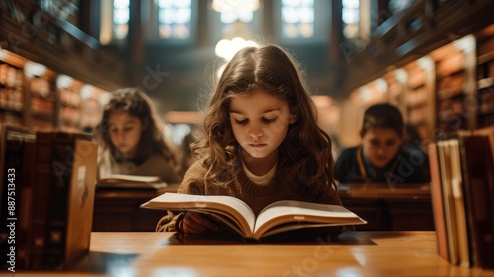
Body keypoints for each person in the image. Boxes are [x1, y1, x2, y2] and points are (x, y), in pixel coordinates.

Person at [156, 44, 350, 235]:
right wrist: (182, 225)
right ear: (226, 117)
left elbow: (344, 229)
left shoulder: (309, 172)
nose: (255, 133)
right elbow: (164, 229)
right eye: (241, 120)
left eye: (269, 119)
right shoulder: (204, 176)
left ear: (293, 112)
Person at [95, 87, 182, 184]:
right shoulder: (100, 162)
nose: (120, 137)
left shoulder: (161, 166)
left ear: (144, 123)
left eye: (128, 128)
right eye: (114, 129)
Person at [333, 103, 430, 186]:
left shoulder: (411, 164)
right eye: (374, 143)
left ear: (401, 138)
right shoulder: (347, 158)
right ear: (362, 136)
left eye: (390, 143)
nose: (382, 151)